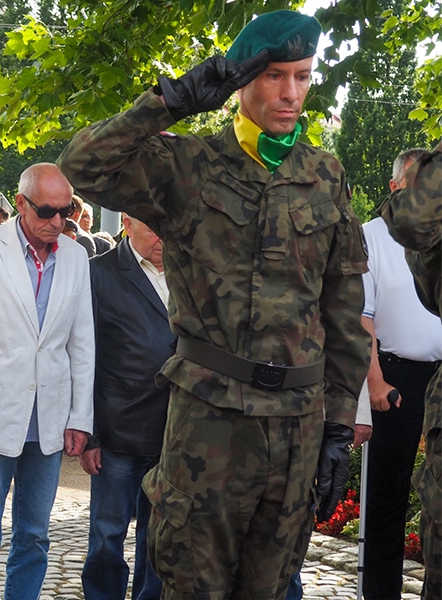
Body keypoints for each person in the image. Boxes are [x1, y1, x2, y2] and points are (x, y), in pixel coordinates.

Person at [58, 10, 370, 598]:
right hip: (210, 422)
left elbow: (343, 311)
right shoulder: (190, 167)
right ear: (241, 80)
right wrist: (170, 104)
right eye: (276, 75)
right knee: (191, 586)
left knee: (274, 589)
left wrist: (337, 426)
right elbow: (81, 167)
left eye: (302, 76)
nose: (291, 93)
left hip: (297, 425)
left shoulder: (325, 175)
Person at [0, 162, 95, 600]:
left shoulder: (75, 256)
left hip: (50, 416)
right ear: (21, 203)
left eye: (66, 211)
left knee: (35, 535)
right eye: (47, 211)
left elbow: (82, 344)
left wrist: (80, 418)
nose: (58, 221)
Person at [359, 148, 442, 599]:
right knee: (388, 499)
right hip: (395, 381)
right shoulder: (371, 236)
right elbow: (362, 316)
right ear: (395, 188)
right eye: (418, 181)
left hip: (441, 377)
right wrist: (375, 381)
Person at [81, 214, 174, 600]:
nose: (162, 236)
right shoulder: (98, 273)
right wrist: (90, 434)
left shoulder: (191, 272)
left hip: (176, 430)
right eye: (153, 226)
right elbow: (83, 358)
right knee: (107, 534)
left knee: (159, 535)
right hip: (118, 429)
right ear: (127, 223)